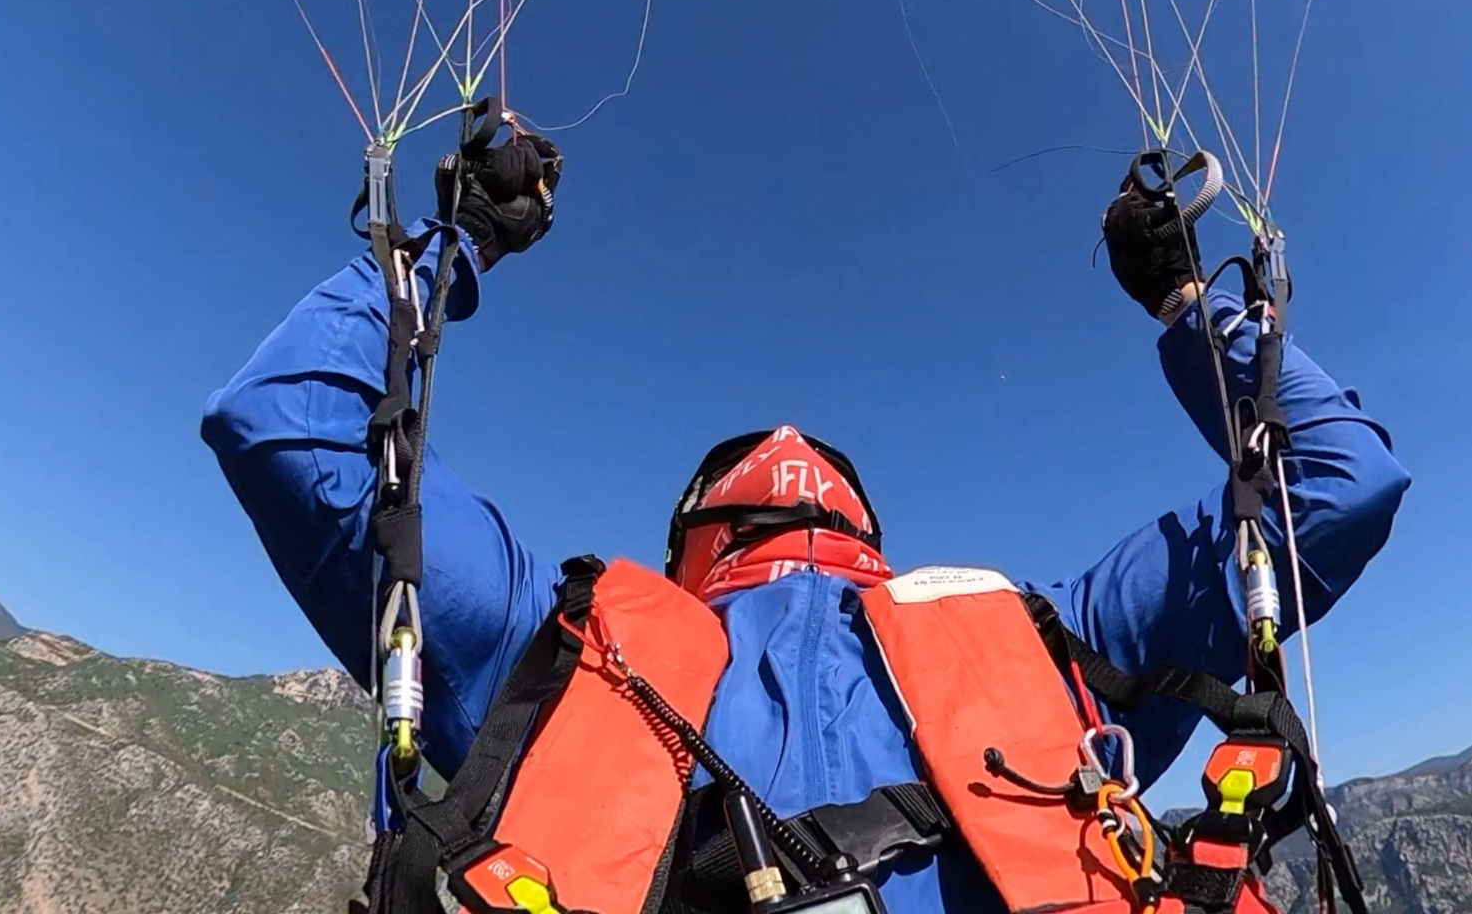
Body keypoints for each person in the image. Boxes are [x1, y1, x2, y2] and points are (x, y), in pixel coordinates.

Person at [203, 131, 1409, 914]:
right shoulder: (1043, 645)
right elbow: (1340, 481)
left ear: (693, 529)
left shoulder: (573, 651)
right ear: (865, 526)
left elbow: (281, 424)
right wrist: (1190, 301)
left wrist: (454, 239)